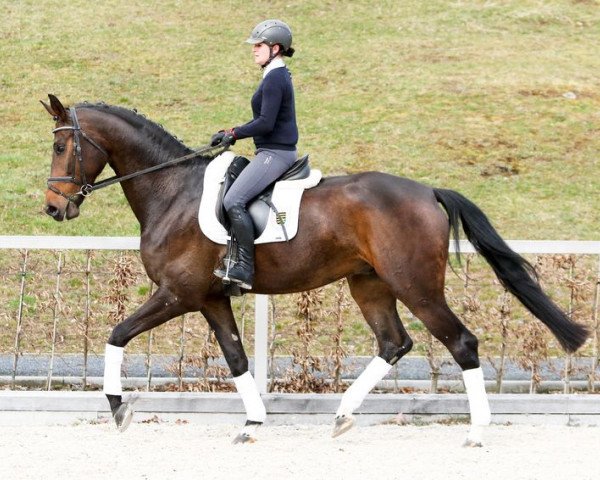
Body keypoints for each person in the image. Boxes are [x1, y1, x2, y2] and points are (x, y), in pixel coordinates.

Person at [211, 19, 299, 290]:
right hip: (271, 151)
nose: (254, 49)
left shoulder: (275, 77)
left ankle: (244, 267)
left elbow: (265, 123)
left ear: (275, 48)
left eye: (259, 45)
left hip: (276, 153)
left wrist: (234, 133)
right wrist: (231, 131)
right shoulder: (274, 74)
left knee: (233, 199)